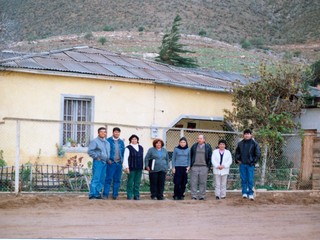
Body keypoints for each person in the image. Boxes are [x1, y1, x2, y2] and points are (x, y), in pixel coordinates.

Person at [235, 129, 261, 200]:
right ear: (243, 135)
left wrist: (253, 162)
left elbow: (258, 154)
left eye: (248, 134)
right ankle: (244, 193)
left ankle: (251, 193)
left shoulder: (254, 143)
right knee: (243, 179)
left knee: (250, 179)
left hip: (250, 165)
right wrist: (237, 159)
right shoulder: (240, 143)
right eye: (245, 134)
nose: (247, 135)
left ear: (251, 134)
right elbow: (237, 152)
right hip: (242, 164)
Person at [87, 127, 110, 199]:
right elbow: (90, 151)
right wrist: (97, 157)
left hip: (105, 162)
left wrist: (108, 159)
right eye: (101, 132)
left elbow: (107, 153)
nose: (103, 133)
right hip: (98, 162)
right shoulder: (95, 141)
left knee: (102, 179)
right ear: (98, 133)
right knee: (96, 178)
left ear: (106, 133)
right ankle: (92, 194)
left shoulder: (107, 142)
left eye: (104, 132)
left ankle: (97, 194)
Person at [103, 127, 125, 200]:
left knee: (117, 180)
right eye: (115, 132)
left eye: (118, 132)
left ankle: (115, 195)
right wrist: (108, 159)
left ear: (119, 133)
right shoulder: (108, 140)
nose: (117, 133)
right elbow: (105, 151)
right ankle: (105, 194)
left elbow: (123, 152)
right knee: (108, 179)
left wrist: (122, 161)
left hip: (119, 163)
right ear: (113, 133)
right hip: (111, 163)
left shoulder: (121, 142)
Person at [190, 134, 212, 200]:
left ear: (204, 140)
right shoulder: (194, 146)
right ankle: (194, 195)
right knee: (193, 182)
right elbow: (191, 155)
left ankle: (202, 196)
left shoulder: (208, 147)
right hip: (194, 166)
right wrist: (191, 165)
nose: (199, 139)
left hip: (204, 167)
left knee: (203, 182)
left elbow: (210, 157)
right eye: (198, 138)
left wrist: (208, 167)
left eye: (201, 138)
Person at [123, 134, 144, 200]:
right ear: (130, 140)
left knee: (137, 182)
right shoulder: (128, 148)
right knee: (130, 182)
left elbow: (142, 157)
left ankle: (136, 195)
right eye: (132, 139)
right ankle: (129, 195)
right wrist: (126, 167)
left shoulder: (141, 147)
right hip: (131, 168)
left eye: (135, 139)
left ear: (137, 140)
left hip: (139, 167)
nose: (134, 140)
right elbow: (125, 158)